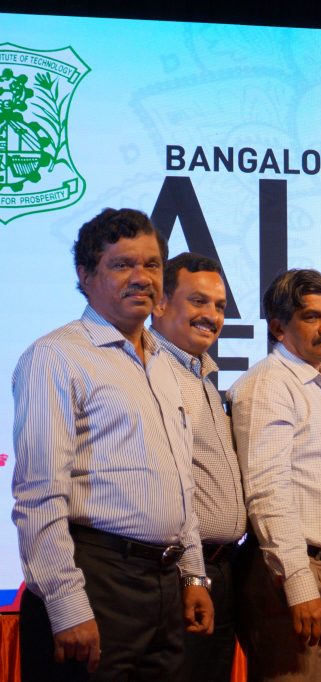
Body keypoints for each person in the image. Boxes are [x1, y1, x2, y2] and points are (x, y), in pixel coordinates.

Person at [12, 208, 213, 680]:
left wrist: (192, 573)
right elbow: (39, 495)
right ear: (85, 275)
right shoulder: (56, 356)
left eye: (152, 265)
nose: (142, 278)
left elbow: (180, 481)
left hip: (164, 585)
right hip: (95, 577)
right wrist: (67, 604)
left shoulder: (164, 363)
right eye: (122, 265)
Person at [229, 268, 321, 681]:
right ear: (278, 327)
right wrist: (299, 583)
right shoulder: (270, 384)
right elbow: (267, 491)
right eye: (312, 316)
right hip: (296, 575)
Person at [151, 252, 248, 681]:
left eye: (220, 306)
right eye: (198, 301)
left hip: (220, 569)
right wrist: (192, 575)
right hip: (177, 573)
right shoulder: (152, 372)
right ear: (159, 303)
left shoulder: (202, 378)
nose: (212, 315)